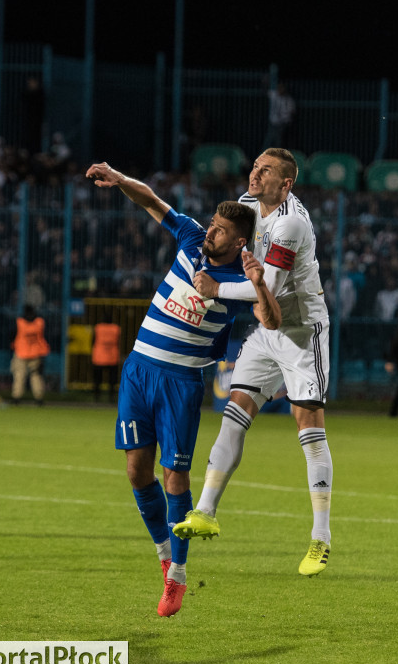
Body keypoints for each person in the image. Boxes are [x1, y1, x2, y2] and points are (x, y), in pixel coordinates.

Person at [85, 160, 281, 618]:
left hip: (180, 381)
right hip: (140, 369)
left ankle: (178, 578)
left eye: (220, 230)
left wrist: (252, 283)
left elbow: (268, 313)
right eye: (212, 225)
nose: (210, 232)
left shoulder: (240, 282)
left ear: (239, 242)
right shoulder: (191, 238)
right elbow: (152, 200)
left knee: (175, 476)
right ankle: (164, 554)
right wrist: (118, 176)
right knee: (136, 472)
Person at [173, 147, 334, 578]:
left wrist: (215, 290)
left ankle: (321, 538)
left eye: (266, 172)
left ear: (286, 184)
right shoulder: (246, 206)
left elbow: (271, 286)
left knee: (309, 428)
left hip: (302, 332)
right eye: (255, 167)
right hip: (267, 331)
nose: (255, 174)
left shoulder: (291, 222)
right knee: (234, 412)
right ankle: (205, 510)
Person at [10, 304, 50, 406]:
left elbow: (12, 335)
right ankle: (39, 399)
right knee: (36, 376)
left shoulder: (19, 322)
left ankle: (16, 398)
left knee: (19, 376)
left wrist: (12, 345)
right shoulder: (39, 322)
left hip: (21, 352)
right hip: (36, 353)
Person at [92, 312, 121, 403]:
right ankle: (111, 397)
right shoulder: (116, 328)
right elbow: (119, 341)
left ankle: (97, 396)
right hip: (112, 356)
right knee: (112, 380)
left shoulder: (98, 327)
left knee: (97, 379)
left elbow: (93, 340)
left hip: (98, 356)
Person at [263, 82, 296, 149]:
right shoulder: (274, 95)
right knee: (269, 141)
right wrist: (265, 82)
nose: (280, 89)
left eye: (282, 88)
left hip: (282, 124)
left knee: (278, 141)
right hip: (273, 123)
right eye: (279, 88)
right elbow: (266, 91)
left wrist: (286, 118)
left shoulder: (288, 100)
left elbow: (292, 112)